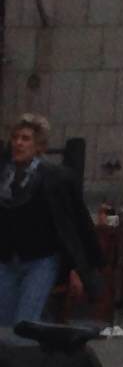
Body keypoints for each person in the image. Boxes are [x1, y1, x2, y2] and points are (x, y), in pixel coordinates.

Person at [0, 115, 93, 332]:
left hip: (40, 259)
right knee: (3, 323)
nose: (18, 143)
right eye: (15, 138)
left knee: (24, 322)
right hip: (8, 258)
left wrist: (77, 268)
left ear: (39, 146)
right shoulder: (4, 176)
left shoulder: (55, 178)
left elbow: (71, 225)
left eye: (25, 139)